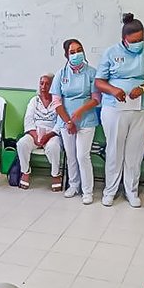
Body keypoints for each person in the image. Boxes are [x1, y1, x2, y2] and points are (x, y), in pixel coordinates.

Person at [95, 13, 144, 207]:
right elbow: (99, 82)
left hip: (142, 109)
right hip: (114, 109)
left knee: (135, 152)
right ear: (123, 39)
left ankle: (131, 191)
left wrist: (142, 88)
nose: (138, 44)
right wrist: (113, 90)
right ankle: (110, 191)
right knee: (114, 150)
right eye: (133, 41)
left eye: (141, 39)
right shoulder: (110, 52)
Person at [52, 39, 101, 204]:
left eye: (79, 50)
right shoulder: (61, 74)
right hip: (66, 122)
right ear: (66, 55)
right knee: (71, 155)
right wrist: (68, 121)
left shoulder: (91, 73)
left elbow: (96, 99)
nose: (76, 54)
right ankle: (73, 185)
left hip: (86, 120)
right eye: (72, 52)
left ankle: (87, 190)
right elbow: (57, 102)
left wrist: (80, 111)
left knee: (82, 156)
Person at [16, 74, 63, 190]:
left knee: (54, 147)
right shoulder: (34, 100)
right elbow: (28, 119)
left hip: (52, 134)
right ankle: (25, 172)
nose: (43, 86)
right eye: (41, 83)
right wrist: (35, 135)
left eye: (47, 84)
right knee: (22, 144)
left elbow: (60, 122)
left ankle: (55, 174)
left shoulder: (58, 101)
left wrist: (49, 135)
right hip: (35, 133)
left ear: (53, 86)